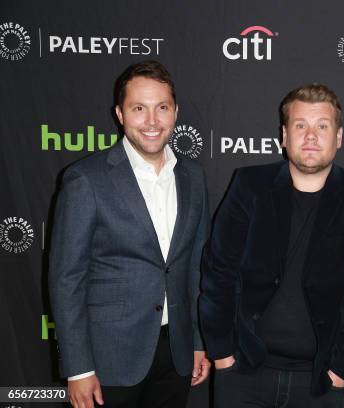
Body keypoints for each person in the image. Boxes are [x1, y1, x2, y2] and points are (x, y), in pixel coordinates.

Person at [199, 84, 344, 407]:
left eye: (322, 126)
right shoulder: (249, 185)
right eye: (300, 125)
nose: (311, 136)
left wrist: (342, 369)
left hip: (319, 381)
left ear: (338, 138)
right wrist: (222, 355)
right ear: (284, 136)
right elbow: (219, 271)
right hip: (243, 373)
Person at [49, 60, 210, 408]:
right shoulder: (86, 179)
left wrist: (198, 340)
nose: (152, 121)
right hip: (109, 358)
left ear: (175, 112)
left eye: (161, 108)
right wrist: (78, 369)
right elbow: (67, 278)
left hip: (177, 353)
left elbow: (196, 267)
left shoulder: (193, 176)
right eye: (139, 108)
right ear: (120, 114)